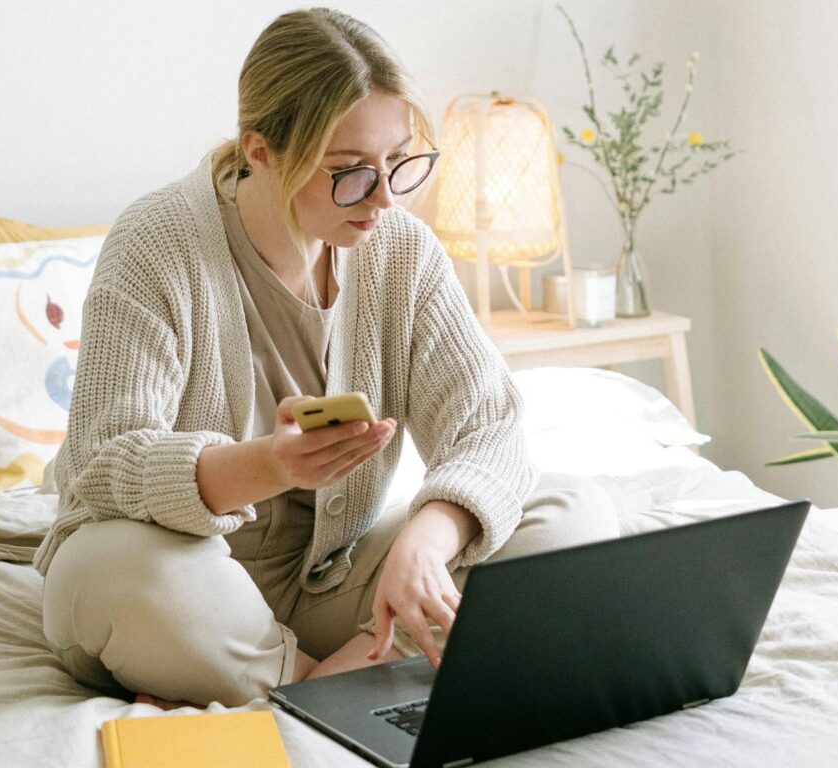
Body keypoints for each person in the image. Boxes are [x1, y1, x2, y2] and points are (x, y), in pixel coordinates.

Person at [36, 7, 618, 709]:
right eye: (349, 172)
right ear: (261, 152)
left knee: (572, 511)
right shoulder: (156, 243)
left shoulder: (401, 250)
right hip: (185, 584)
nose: (384, 198)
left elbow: (488, 428)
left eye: (399, 162)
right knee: (108, 572)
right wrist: (271, 465)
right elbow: (101, 462)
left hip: (330, 584)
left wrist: (427, 543)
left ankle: (317, 686)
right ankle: (355, 678)